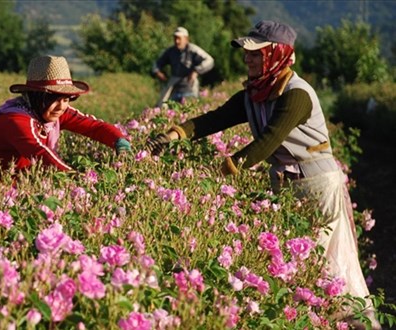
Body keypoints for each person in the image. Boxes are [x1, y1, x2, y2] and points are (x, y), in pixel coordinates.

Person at [146, 20, 381, 329]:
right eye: (247, 53)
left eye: (256, 54)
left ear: (277, 55)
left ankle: (357, 324)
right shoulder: (256, 93)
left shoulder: (296, 94)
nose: (248, 59)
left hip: (317, 187)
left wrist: (215, 174)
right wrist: (173, 135)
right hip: (288, 186)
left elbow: (268, 141)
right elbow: (215, 118)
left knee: (327, 266)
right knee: (299, 267)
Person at [0, 55, 131, 190]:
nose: (62, 106)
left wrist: (119, 141)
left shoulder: (52, 112)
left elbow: (94, 126)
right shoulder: (14, 120)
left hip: (2, 189)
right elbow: (39, 153)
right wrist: (77, 178)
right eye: (54, 98)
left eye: (68, 98)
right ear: (36, 97)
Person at [152, 26, 214, 107]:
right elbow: (157, 63)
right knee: (163, 106)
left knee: (189, 109)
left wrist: (196, 71)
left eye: (179, 38)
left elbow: (209, 60)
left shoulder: (193, 50)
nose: (177, 41)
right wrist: (157, 71)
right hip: (174, 87)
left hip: (190, 87)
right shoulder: (171, 51)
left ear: (186, 39)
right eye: (175, 38)